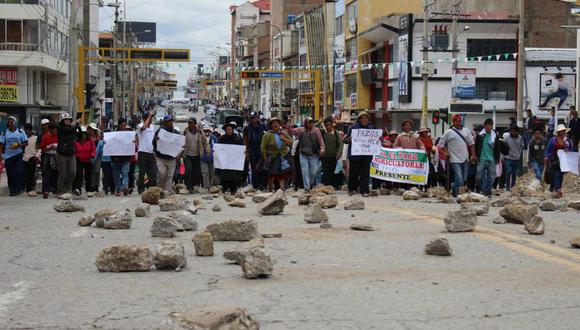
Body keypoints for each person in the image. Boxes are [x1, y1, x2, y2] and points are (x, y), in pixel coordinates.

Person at [438, 114, 476, 197]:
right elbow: (441, 144)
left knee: (464, 179)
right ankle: (458, 192)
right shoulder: (449, 132)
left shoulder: (466, 131)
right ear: (453, 122)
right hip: (454, 159)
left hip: (465, 158)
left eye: (459, 121)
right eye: (456, 121)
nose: (458, 122)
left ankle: (455, 193)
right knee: (459, 178)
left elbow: (472, 143)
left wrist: (473, 155)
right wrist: (446, 152)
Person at [344, 111, 376, 196]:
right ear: (359, 119)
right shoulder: (353, 128)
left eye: (366, 118)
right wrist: (349, 139)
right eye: (363, 118)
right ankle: (351, 189)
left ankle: (364, 190)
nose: (365, 120)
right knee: (353, 173)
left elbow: (375, 141)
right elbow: (345, 140)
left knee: (365, 173)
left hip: (366, 155)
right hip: (355, 155)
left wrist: (379, 139)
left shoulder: (371, 129)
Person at [261, 117, 294, 192]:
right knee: (271, 175)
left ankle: (281, 190)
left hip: (282, 156)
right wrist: (265, 158)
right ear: (271, 125)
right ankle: (270, 190)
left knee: (282, 174)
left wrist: (284, 138)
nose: (275, 124)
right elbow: (263, 147)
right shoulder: (267, 135)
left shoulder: (284, 133)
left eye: (277, 123)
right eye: (273, 123)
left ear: (280, 125)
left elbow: (291, 143)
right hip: (271, 157)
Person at [292, 117, 325, 191]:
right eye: (309, 122)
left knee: (314, 172)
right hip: (303, 155)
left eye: (311, 122)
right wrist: (289, 121)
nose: (310, 124)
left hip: (313, 155)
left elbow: (321, 141)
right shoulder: (301, 130)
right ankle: (306, 188)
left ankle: (311, 183)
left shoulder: (316, 131)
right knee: (305, 172)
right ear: (305, 123)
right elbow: (290, 131)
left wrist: (322, 149)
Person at [0, 116, 28, 196]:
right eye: (8, 122)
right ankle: (12, 191)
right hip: (8, 156)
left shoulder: (20, 132)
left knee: (18, 172)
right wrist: (1, 154)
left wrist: (19, 145)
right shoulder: (4, 132)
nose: (10, 124)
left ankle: (18, 189)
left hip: (18, 154)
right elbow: (1, 144)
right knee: (10, 173)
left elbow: (26, 143)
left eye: (11, 122)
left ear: (15, 123)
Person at [474, 118, 502, 196]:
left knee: (492, 177)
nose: (489, 127)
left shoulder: (495, 136)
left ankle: (487, 191)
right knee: (479, 176)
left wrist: (497, 158)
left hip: (492, 159)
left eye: (490, 125)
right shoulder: (480, 135)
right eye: (487, 125)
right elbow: (476, 146)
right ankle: (479, 188)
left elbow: (498, 148)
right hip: (482, 159)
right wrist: (476, 156)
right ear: (484, 126)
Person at [544, 124, 574, 198]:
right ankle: (557, 189)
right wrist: (546, 157)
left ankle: (556, 189)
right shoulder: (553, 140)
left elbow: (571, 149)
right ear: (558, 132)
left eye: (564, 130)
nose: (563, 132)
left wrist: (568, 151)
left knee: (560, 175)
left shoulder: (567, 140)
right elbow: (548, 149)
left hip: (563, 160)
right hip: (554, 160)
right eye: (561, 131)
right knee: (555, 174)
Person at [153, 115, 181, 193]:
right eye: (169, 121)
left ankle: (167, 192)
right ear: (165, 122)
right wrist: (156, 140)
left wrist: (180, 147)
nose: (171, 122)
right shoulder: (160, 131)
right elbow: (153, 142)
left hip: (171, 158)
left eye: (172, 121)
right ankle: (159, 189)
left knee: (170, 176)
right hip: (161, 157)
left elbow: (179, 143)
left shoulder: (175, 132)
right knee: (162, 173)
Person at [56, 112, 80, 195]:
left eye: (69, 119)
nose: (68, 121)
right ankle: (59, 190)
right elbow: (69, 131)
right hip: (62, 154)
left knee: (73, 172)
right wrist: (76, 124)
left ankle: (68, 188)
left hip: (71, 154)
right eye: (66, 119)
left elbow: (79, 135)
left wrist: (79, 126)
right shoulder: (60, 128)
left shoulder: (72, 129)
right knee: (63, 174)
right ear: (62, 121)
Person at [217, 122, 244, 194]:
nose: (228, 131)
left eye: (230, 129)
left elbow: (241, 148)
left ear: (232, 130)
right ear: (225, 131)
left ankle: (233, 189)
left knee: (233, 174)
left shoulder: (237, 138)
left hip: (233, 160)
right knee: (224, 174)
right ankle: (224, 188)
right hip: (225, 160)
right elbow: (219, 148)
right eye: (227, 130)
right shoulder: (222, 138)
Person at [183, 117, 209, 192]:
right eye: (189, 123)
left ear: (195, 124)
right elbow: (180, 141)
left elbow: (205, 142)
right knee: (188, 170)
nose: (190, 124)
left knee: (196, 171)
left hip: (197, 155)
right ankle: (189, 186)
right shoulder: (185, 131)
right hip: (187, 155)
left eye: (191, 123)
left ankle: (194, 185)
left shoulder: (200, 132)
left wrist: (208, 152)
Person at [243, 112, 267, 191]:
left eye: (255, 118)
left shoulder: (263, 126)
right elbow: (245, 140)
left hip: (261, 149)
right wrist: (246, 151)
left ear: (257, 118)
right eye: (252, 118)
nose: (253, 120)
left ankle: (262, 185)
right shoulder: (247, 128)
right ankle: (255, 185)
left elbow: (266, 137)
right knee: (254, 168)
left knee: (262, 168)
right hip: (252, 150)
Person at [111, 118, 133, 196]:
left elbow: (131, 143)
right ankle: (118, 189)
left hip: (125, 158)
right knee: (116, 175)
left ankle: (125, 187)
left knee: (125, 173)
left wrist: (133, 142)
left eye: (125, 125)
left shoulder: (128, 134)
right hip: (115, 158)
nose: (124, 127)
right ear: (119, 125)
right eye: (122, 125)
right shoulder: (113, 134)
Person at [137, 111, 157, 193]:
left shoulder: (152, 127)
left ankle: (150, 188)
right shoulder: (140, 125)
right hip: (142, 152)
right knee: (142, 171)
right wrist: (149, 116)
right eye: (150, 118)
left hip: (151, 152)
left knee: (152, 172)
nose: (151, 119)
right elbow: (144, 128)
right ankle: (140, 188)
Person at [321, 116, 343, 189]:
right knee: (325, 172)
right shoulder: (322, 132)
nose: (328, 126)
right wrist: (319, 122)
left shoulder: (336, 134)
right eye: (326, 125)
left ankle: (332, 186)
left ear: (332, 124)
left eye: (329, 124)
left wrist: (338, 154)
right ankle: (327, 186)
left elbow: (340, 145)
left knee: (332, 172)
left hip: (334, 157)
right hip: (324, 157)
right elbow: (313, 128)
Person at [73, 127, 96, 195]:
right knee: (79, 175)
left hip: (88, 160)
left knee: (88, 175)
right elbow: (75, 151)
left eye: (84, 134)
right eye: (82, 134)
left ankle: (89, 189)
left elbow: (93, 150)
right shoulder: (76, 142)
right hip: (79, 160)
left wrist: (92, 156)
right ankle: (78, 189)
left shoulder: (90, 142)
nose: (83, 135)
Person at [39, 123, 58, 198]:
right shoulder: (45, 137)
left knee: (56, 174)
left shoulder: (59, 136)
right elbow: (42, 148)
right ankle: (45, 190)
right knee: (46, 174)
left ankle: (55, 189)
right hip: (48, 156)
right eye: (53, 129)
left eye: (56, 129)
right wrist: (49, 147)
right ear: (50, 130)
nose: (55, 131)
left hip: (57, 157)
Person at [503, 125, 524, 191]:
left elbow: (522, 146)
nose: (514, 132)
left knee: (514, 173)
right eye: (512, 131)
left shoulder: (520, 138)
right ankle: (507, 187)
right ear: (510, 131)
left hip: (516, 158)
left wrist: (519, 153)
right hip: (508, 157)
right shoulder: (506, 138)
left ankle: (513, 186)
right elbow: (502, 147)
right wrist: (502, 157)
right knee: (508, 171)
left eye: (515, 131)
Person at [22, 123, 39, 193]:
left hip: (32, 158)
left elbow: (39, 148)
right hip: (24, 159)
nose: (25, 131)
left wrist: (37, 156)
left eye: (26, 130)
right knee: (24, 174)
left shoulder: (36, 138)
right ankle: (25, 189)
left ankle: (30, 189)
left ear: (29, 130)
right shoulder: (22, 138)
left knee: (31, 175)